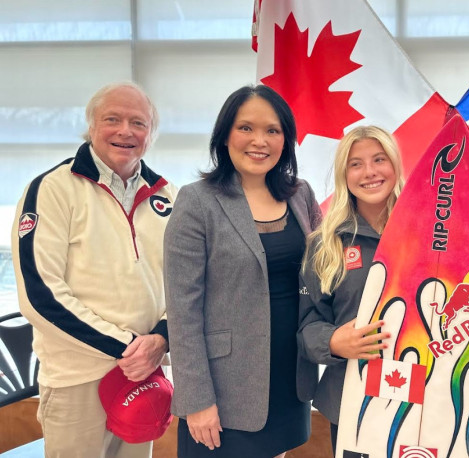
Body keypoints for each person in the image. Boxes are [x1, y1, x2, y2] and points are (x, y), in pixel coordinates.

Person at [11, 82, 176, 458]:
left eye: (138, 122)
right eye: (112, 119)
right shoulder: (52, 189)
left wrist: (161, 339)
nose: (125, 131)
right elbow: (40, 295)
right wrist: (129, 347)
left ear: (151, 133)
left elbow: (186, 285)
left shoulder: (169, 197)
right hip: (78, 381)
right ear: (91, 125)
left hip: (144, 374)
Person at [164, 84, 322, 458]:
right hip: (225, 388)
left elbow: (325, 271)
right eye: (246, 128)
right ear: (225, 135)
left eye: (272, 130)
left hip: (289, 377)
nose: (259, 141)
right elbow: (183, 312)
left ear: (286, 140)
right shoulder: (197, 201)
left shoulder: (300, 194)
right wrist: (196, 399)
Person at [297, 125, 404, 451]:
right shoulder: (324, 244)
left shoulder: (432, 231)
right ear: (344, 175)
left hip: (425, 400)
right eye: (356, 164)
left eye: (379, 159)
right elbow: (306, 323)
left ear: (395, 164)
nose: (369, 172)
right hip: (352, 398)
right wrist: (331, 341)